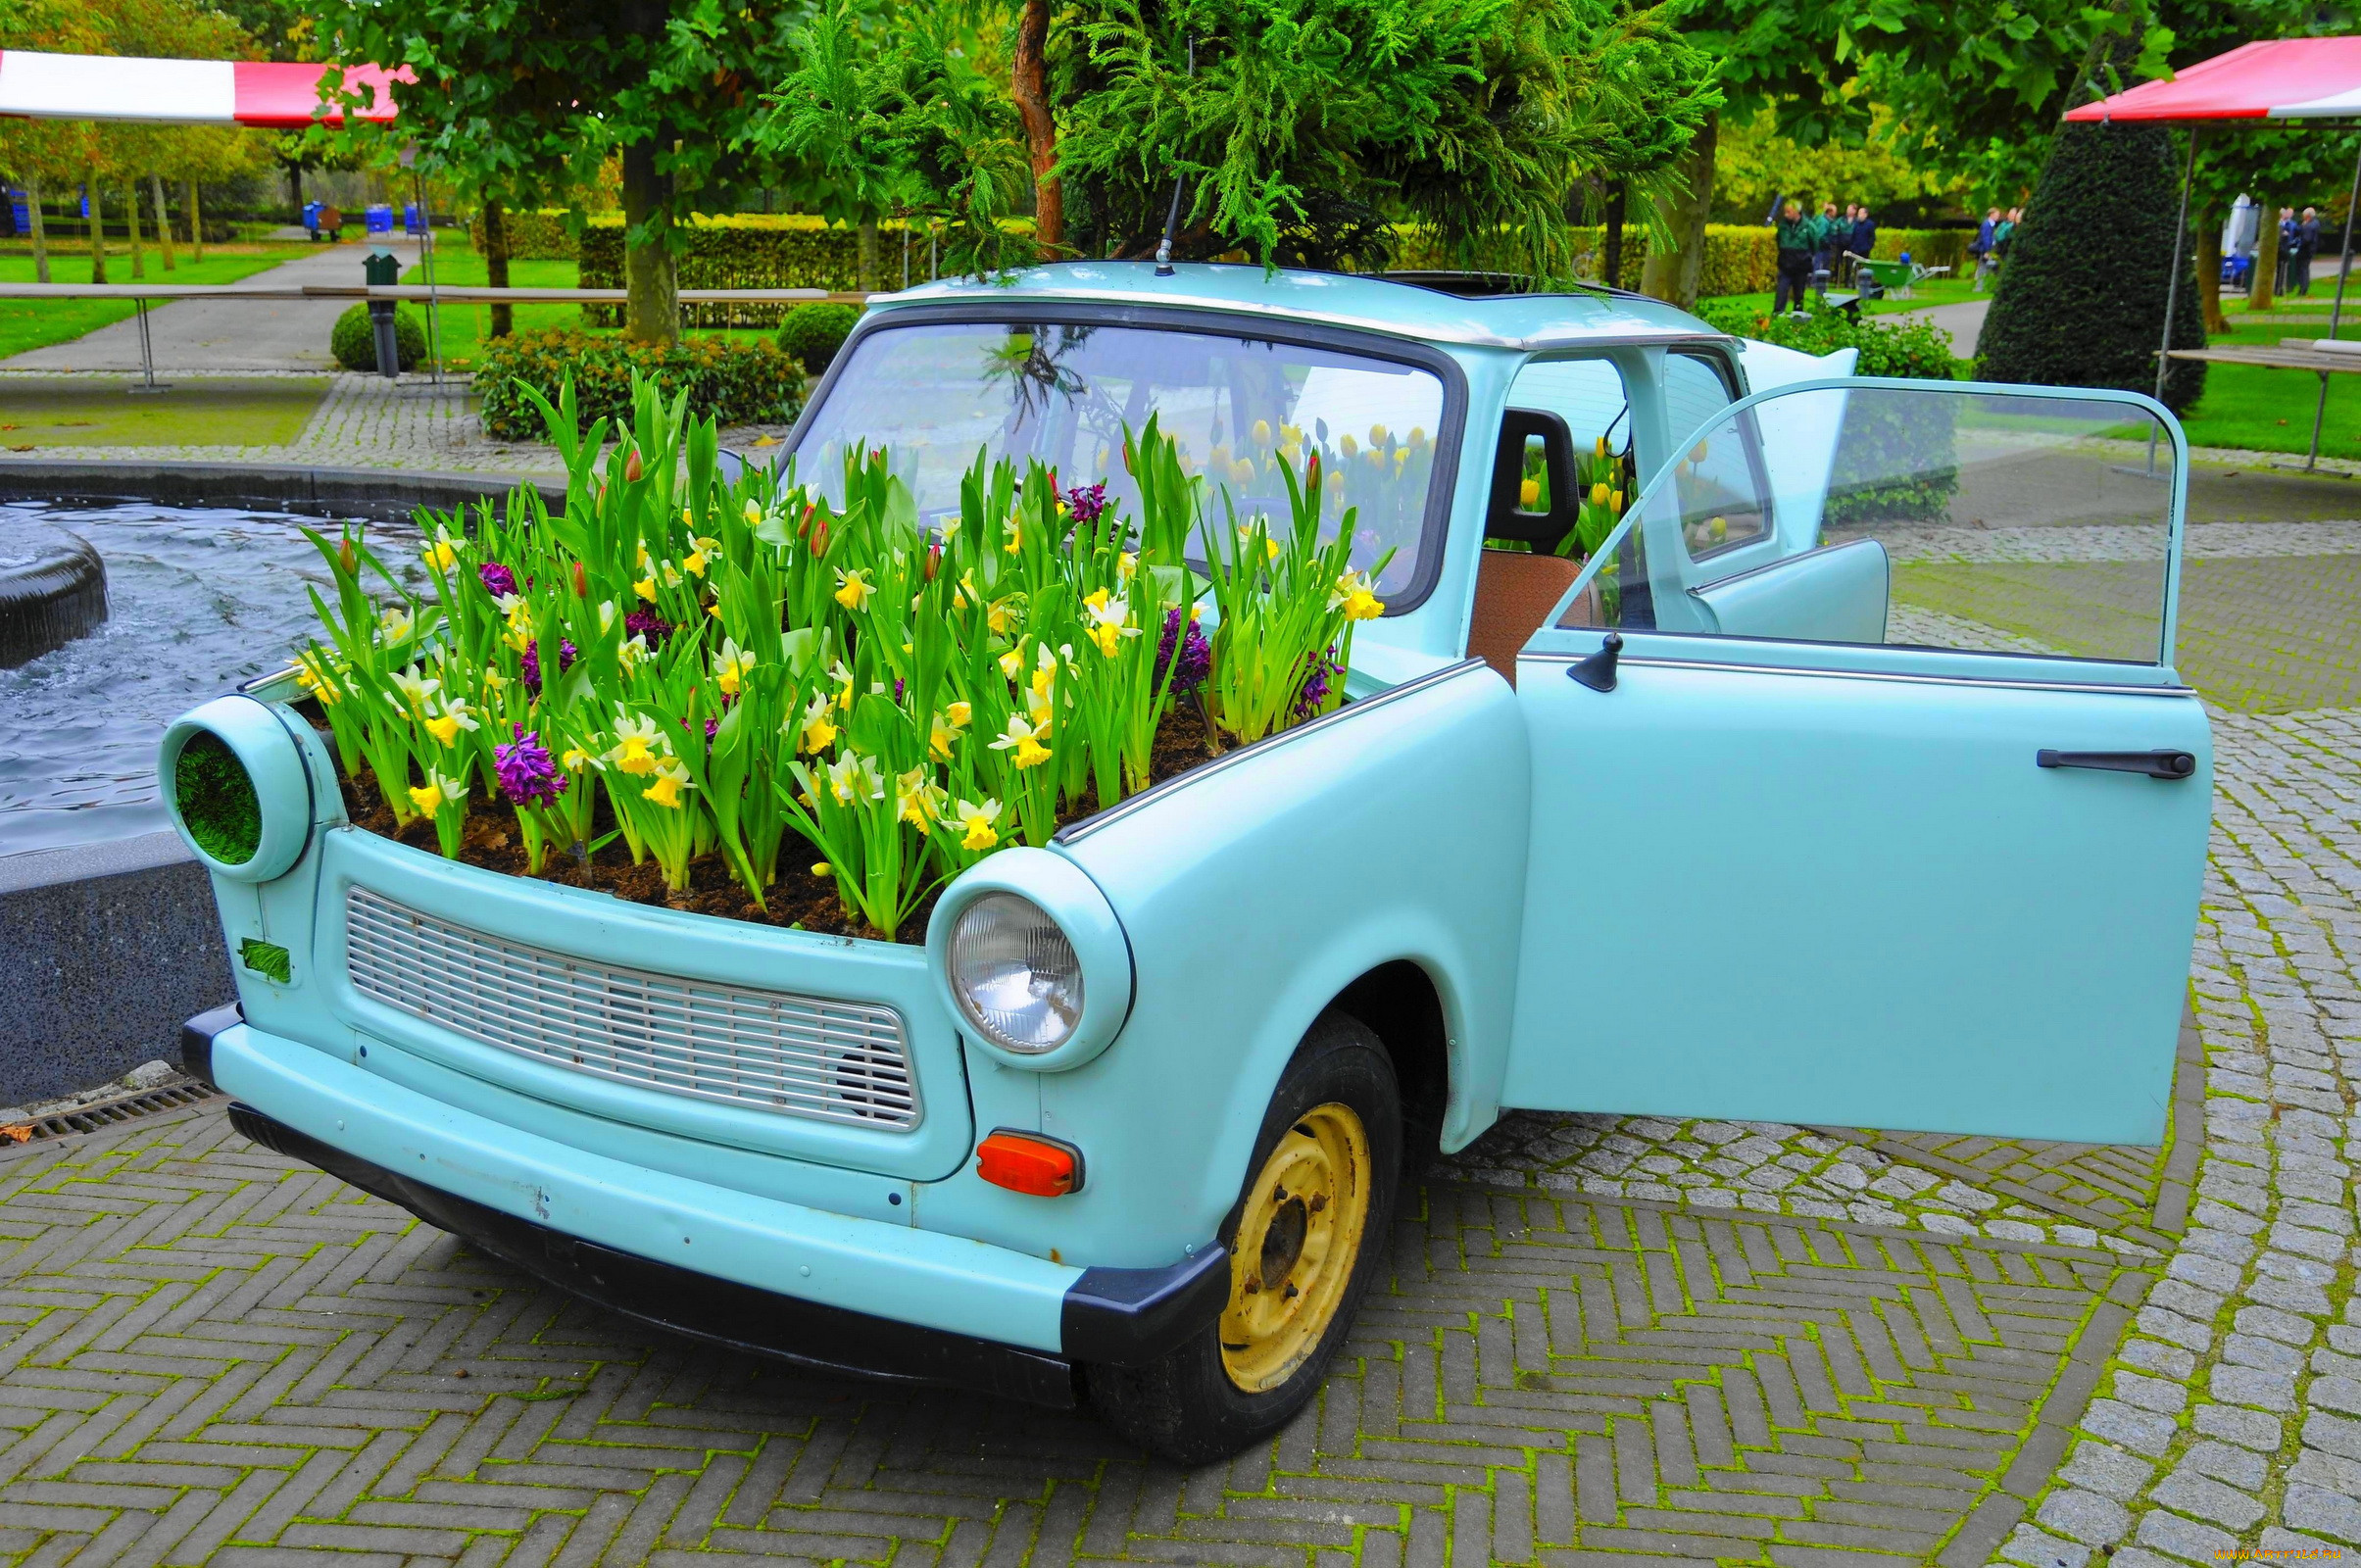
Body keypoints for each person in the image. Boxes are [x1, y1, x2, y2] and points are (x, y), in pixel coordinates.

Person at [1768, 195, 1815, 314]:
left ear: (1796, 211)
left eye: (1789, 211)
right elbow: (1779, 241)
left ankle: (1798, 316)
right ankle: (1778, 314)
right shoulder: (1783, 226)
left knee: (1799, 293)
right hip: (1785, 264)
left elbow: (1815, 244)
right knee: (1781, 291)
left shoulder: (1808, 226)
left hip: (1801, 265)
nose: (1786, 214)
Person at [2294, 206, 2322, 296]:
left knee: (2302, 269)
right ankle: (2304, 287)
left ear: (2307, 216)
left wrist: (2298, 244)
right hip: (2310, 250)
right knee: (2305, 268)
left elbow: (2307, 239)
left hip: (2304, 250)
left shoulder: (2309, 226)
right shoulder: (2315, 223)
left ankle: (2303, 288)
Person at [1971, 207, 2000, 291]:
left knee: (1986, 267)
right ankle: (1979, 287)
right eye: (1997, 214)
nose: (1998, 216)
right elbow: (1986, 238)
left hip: (1986, 249)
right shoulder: (1987, 225)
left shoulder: (1990, 224)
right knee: (1983, 267)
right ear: (1991, 214)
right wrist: (1987, 251)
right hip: (1984, 250)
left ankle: (1983, 286)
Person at [1849, 206, 1877, 282]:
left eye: (1861, 213)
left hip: (1865, 250)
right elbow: (1853, 236)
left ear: (1866, 214)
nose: (1859, 215)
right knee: (1855, 266)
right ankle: (1855, 282)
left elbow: (1872, 237)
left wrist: (1868, 247)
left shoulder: (1870, 224)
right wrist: (1852, 246)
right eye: (1859, 213)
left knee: (1865, 266)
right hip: (1856, 249)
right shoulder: (1856, 224)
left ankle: (1865, 281)